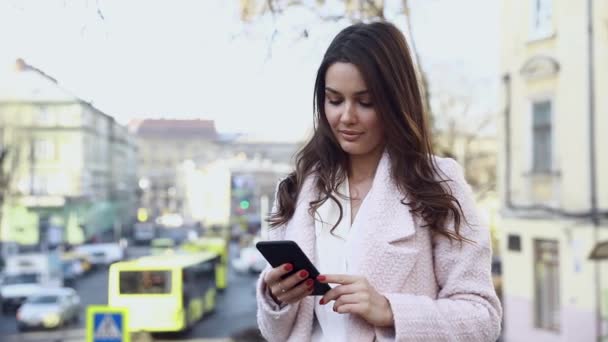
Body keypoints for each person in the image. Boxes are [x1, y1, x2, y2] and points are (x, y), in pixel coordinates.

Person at [256, 21, 502, 342]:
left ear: (394, 102)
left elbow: (482, 317)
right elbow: (276, 333)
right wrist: (276, 299)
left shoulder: (438, 185)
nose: (346, 117)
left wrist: (390, 310)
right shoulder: (297, 188)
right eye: (334, 100)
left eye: (365, 101)